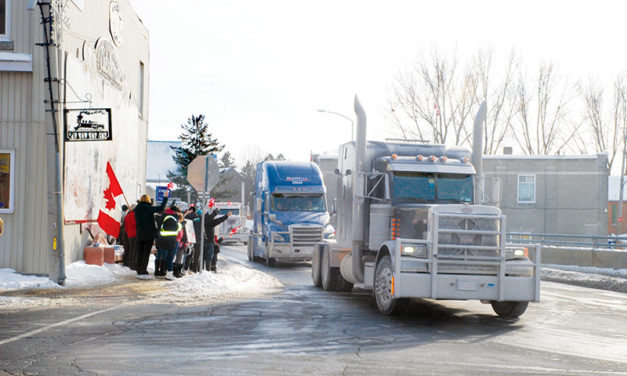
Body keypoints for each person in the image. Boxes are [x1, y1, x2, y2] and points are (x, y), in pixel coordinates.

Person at [134, 191, 169, 279]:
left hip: (139, 234)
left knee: (140, 253)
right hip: (148, 234)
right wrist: (165, 198)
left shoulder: (136, 209)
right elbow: (161, 208)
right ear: (148, 200)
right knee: (146, 253)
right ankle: (143, 271)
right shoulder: (148, 208)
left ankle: (139, 270)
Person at [157, 210, 183, 280]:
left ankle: (166, 272)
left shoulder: (164, 218)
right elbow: (177, 229)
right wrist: (180, 224)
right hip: (172, 242)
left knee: (166, 257)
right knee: (170, 258)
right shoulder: (174, 221)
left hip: (163, 241)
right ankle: (169, 274)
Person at [124, 204, 137, 270]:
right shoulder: (137, 216)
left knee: (131, 249)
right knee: (136, 250)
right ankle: (134, 264)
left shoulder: (127, 216)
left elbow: (125, 227)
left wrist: (128, 232)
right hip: (136, 234)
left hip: (129, 235)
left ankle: (131, 264)